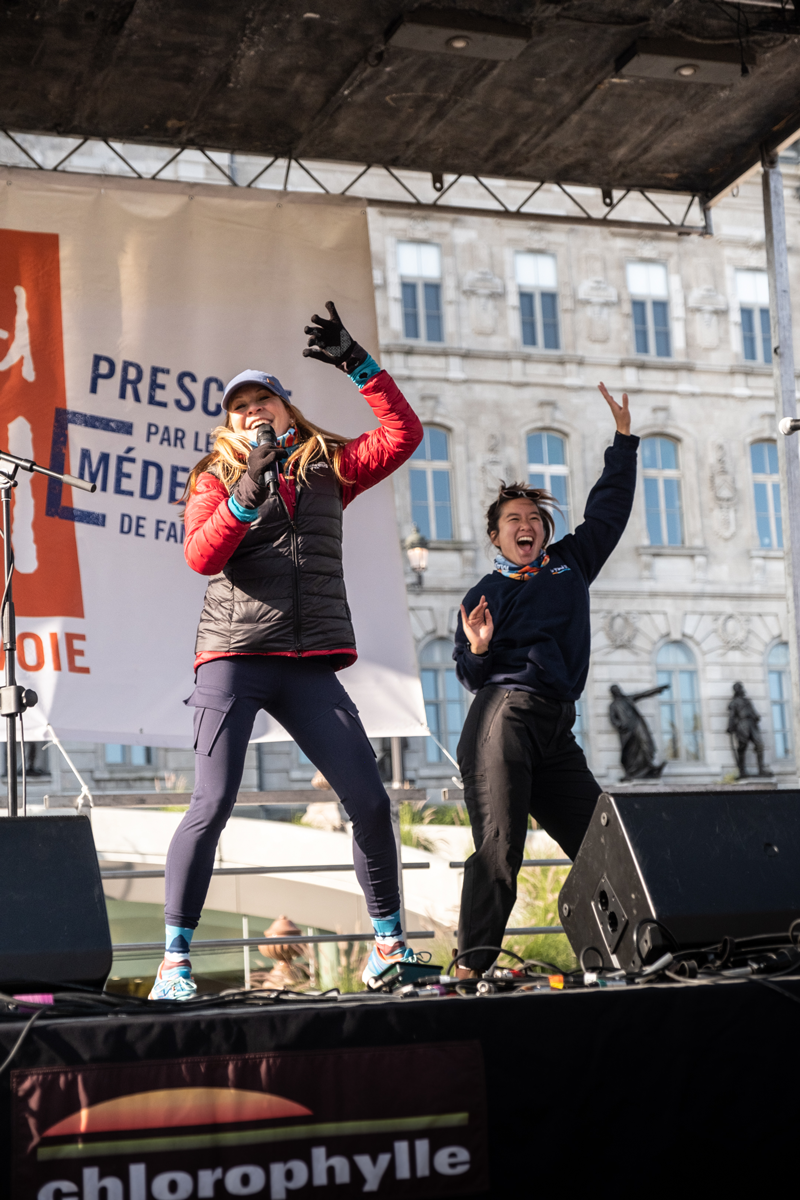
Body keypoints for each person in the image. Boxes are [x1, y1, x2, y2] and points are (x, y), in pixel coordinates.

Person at [149, 302, 423, 1000]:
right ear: (228, 423)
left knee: (367, 797)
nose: (251, 411)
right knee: (211, 803)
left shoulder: (328, 463)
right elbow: (200, 556)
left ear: (286, 407)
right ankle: (174, 961)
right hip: (234, 657)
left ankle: (387, 947)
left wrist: (357, 363)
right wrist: (249, 487)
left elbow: (403, 433)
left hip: (307, 661)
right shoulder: (214, 476)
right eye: (238, 406)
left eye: (261, 398)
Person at [453, 384, 638, 977]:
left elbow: (607, 513)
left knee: (602, 846)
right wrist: (479, 649)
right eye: (513, 520)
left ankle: (639, 957)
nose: (526, 525)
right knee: (500, 852)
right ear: (496, 536)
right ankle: (467, 973)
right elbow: (468, 671)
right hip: (502, 720)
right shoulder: (485, 593)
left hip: (556, 728)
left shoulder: (569, 563)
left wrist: (625, 440)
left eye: (535, 519)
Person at [608, 683, 668, 780]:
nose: (619, 691)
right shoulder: (613, 705)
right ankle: (632, 772)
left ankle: (650, 766)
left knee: (646, 743)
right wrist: (620, 725)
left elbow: (643, 694)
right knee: (630, 752)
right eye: (616, 690)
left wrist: (657, 690)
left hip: (637, 725)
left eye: (618, 689)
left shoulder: (627, 699)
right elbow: (613, 719)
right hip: (627, 731)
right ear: (613, 693)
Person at [727, 681, 772, 778]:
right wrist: (730, 727)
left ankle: (761, 769)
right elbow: (732, 716)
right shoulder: (734, 703)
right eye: (739, 688)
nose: (742, 690)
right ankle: (742, 771)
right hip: (742, 725)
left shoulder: (747, 701)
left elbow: (753, 712)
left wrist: (756, 716)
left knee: (759, 745)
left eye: (741, 688)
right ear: (737, 690)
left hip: (752, 724)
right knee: (742, 747)